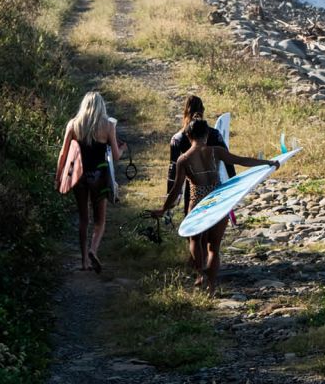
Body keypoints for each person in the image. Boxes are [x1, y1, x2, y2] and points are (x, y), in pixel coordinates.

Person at [151, 119, 274, 288]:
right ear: (207, 135)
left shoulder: (183, 159)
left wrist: (164, 209)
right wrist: (268, 162)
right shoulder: (216, 151)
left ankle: (200, 274)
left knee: (195, 240)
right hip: (218, 202)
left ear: (188, 135)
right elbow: (241, 160)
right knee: (213, 247)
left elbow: (176, 189)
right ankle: (211, 286)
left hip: (197, 203)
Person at [55, 91, 124, 272]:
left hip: (79, 177)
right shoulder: (108, 125)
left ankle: (84, 261)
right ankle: (93, 249)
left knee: (83, 218)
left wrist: (59, 178)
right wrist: (122, 148)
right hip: (99, 177)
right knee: (100, 220)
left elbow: (63, 154)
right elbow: (116, 157)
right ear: (101, 106)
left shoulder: (74, 124)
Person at [166, 94, 226, 213]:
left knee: (194, 223)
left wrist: (169, 199)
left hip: (194, 190)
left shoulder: (177, 138)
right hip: (215, 188)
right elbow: (230, 164)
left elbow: (173, 173)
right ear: (203, 110)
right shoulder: (215, 135)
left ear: (185, 112)